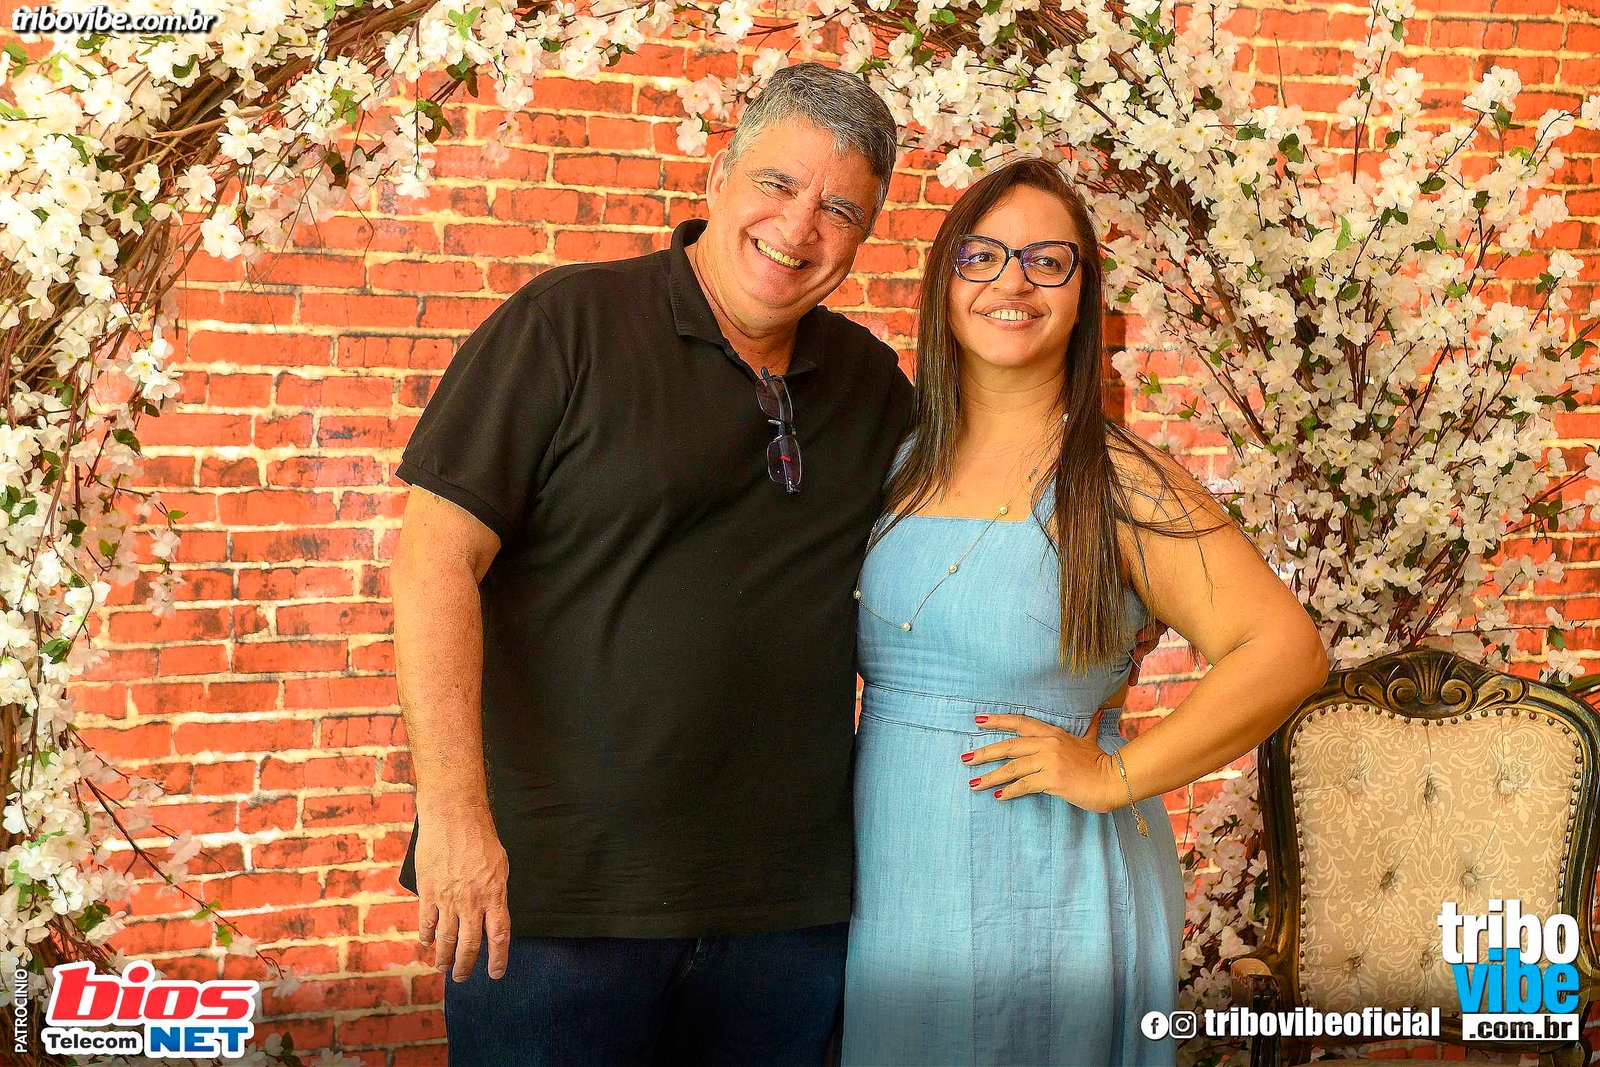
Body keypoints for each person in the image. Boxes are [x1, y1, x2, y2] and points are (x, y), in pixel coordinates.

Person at [388, 63, 912, 1065]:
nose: (799, 228)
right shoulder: (566, 324)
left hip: (785, 921)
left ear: (864, 235)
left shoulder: (871, 385)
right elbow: (432, 563)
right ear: (718, 178)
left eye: (840, 209)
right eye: (777, 184)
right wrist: (451, 818)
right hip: (555, 907)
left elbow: (983, 514)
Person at [840, 157, 1331, 1066]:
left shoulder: (1115, 480)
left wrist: (1115, 775)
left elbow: (1286, 649)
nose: (1012, 283)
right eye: (983, 255)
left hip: (1046, 886)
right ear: (945, 281)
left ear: (1082, 296)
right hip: (899, 879)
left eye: (1047, 261)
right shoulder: (902, 462)